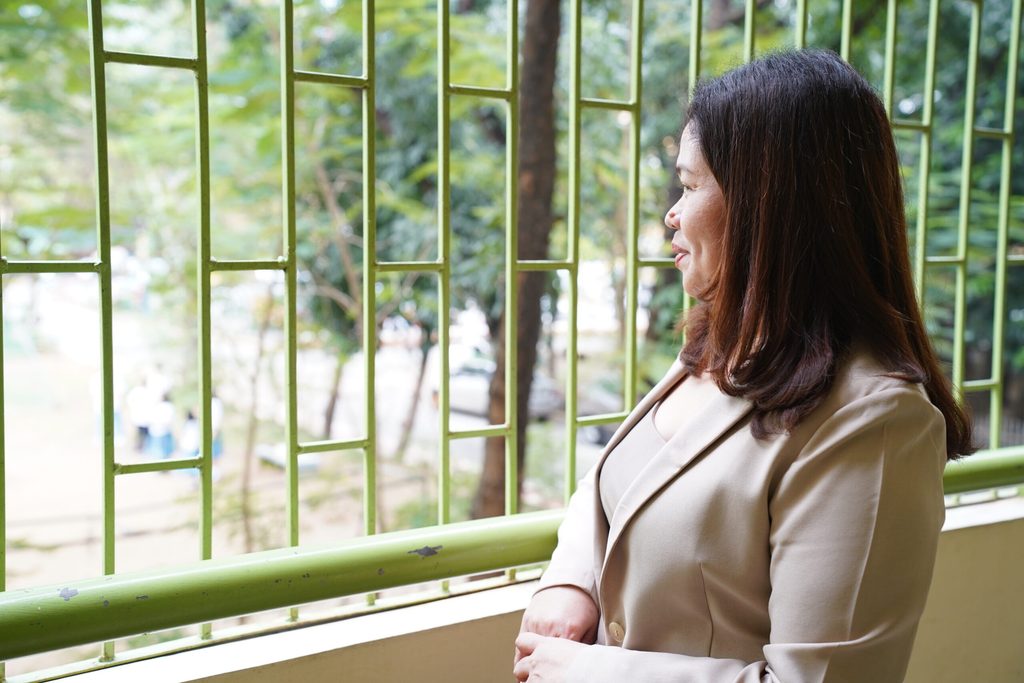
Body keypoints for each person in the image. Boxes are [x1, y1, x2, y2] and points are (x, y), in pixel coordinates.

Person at [513, 49, 973, 683]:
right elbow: (623, 482)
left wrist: (589, 671)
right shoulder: (722, 346)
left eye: (691, 184)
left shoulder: (877, 421)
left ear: (768, 204)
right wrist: (570, 583)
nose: (672, 213)